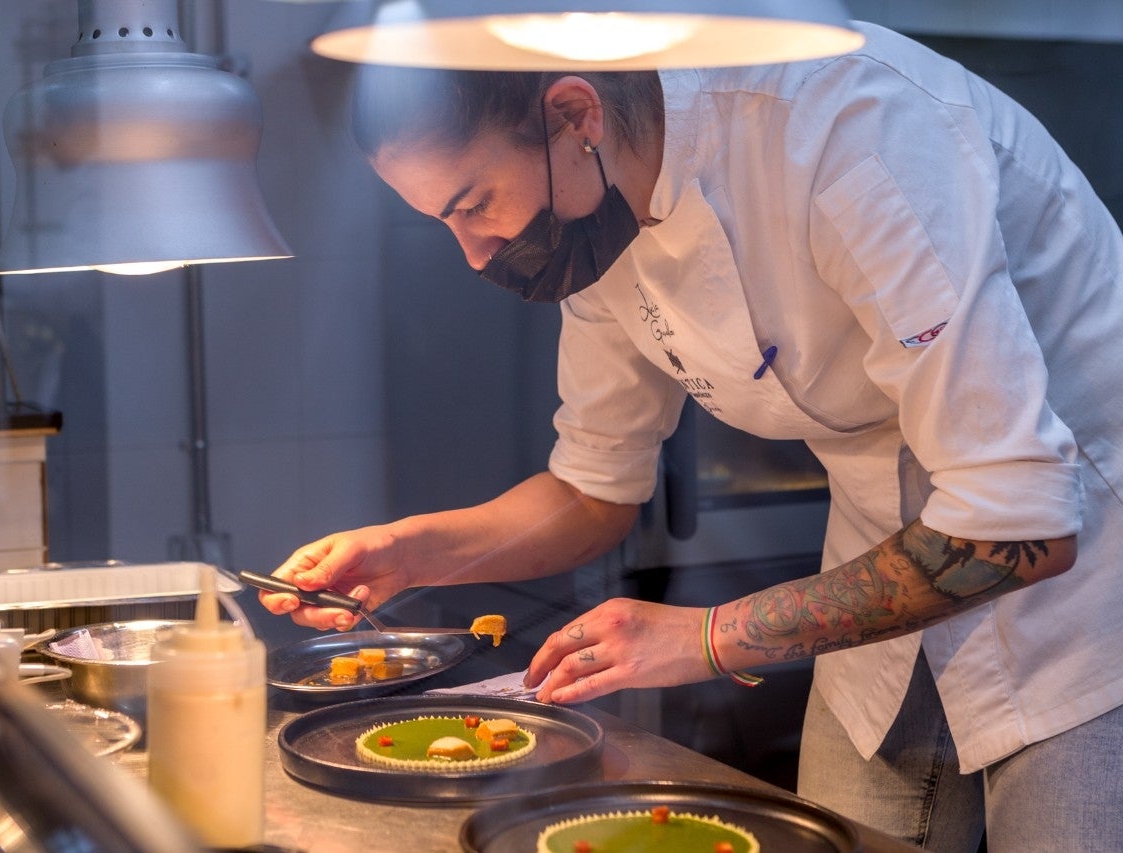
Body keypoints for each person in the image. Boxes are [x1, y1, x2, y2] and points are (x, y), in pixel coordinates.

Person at [258, 21, 1123, 851]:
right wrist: (412, 553)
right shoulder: (593, 213)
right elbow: (593, 489)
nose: (476, 254)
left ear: (574, 114)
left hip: (1086, 576)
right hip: (879, 566)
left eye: (475, 203)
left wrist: (706, 636)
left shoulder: (849, 133)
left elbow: (1018, 524)